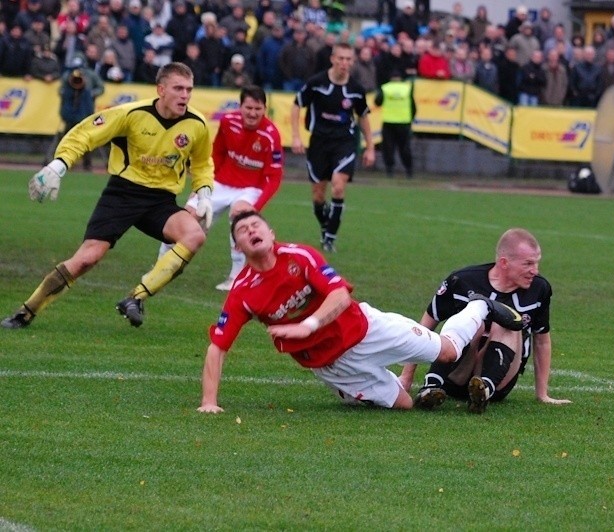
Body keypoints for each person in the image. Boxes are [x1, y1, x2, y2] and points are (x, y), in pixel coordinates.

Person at [197, 211, 524, 412]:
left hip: (368, 329)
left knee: (450, 351)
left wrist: (308, 325)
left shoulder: (300, 256)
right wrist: (209, 402)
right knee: (404, 405)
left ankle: (480, 305)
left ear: (270, 233)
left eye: (257, 225)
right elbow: (218, 346)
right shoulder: (243, 291)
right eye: (243, 231)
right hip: (333, 366)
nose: (251, 231)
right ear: (238, 248)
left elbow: (339, 296)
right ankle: (384, 386)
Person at [2, 63, 214, 330]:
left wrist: (204, 190)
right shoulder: (131, 114)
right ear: (161, 90)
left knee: (194, 235)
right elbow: (86, 133)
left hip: (161, 201)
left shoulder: (197, 124)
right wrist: (60, 164)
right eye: (178, 89)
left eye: (189, 90)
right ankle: (25, 312)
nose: (185, 95)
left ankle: (135, 299)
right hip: (123, 194)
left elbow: (203, 163)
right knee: (87, 259)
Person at [399, 228, 570, 414]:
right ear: (504, 262)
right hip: (454, 376)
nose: (534, 271)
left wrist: (542, 394)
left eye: (536, 263)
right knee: (474, 321)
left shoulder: (540, 289)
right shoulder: (462, 281)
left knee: (508, 320)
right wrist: (407, 376)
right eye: (528, 264)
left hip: (499, 383)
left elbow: (542, 341)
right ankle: (431, 386)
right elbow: (425, 326)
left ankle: (484, 389)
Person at [158, 86, 283, 292]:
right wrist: (200, 186)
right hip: (220, 182)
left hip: (250, 189)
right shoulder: (227, 122)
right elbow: (216, 156)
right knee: (187, 216)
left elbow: (275, 177)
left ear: (264, 109)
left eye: (258, 109)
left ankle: (234, 278)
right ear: (240, 106)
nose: (252, 113)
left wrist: (256, 207)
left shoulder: (271, 135)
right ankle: (162, 265)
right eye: (248, 107)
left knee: (240, 215)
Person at [290, 42, 376, 253]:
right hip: (319, 142)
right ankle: (325, 227)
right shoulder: (316, 83)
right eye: (341, 58)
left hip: (345, 142)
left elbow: (363, 116)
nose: (344, 63)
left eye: (348, 59)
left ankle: (330, 238)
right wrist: (295, 137)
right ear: (333, 59)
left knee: (338, 185)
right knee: (318, 195)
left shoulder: (356, 90)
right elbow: (296, 105)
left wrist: (370, 147)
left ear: (353, 62)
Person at [375, 74, 415, 179]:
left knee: (388, 148)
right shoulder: (407, 88)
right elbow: (413, 106)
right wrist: (410, 118)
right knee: (405, 148)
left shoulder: (386, 88)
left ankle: (390, 171)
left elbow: (377, 102)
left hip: (389, 122)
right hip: (404, 122)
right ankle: (409, 170)